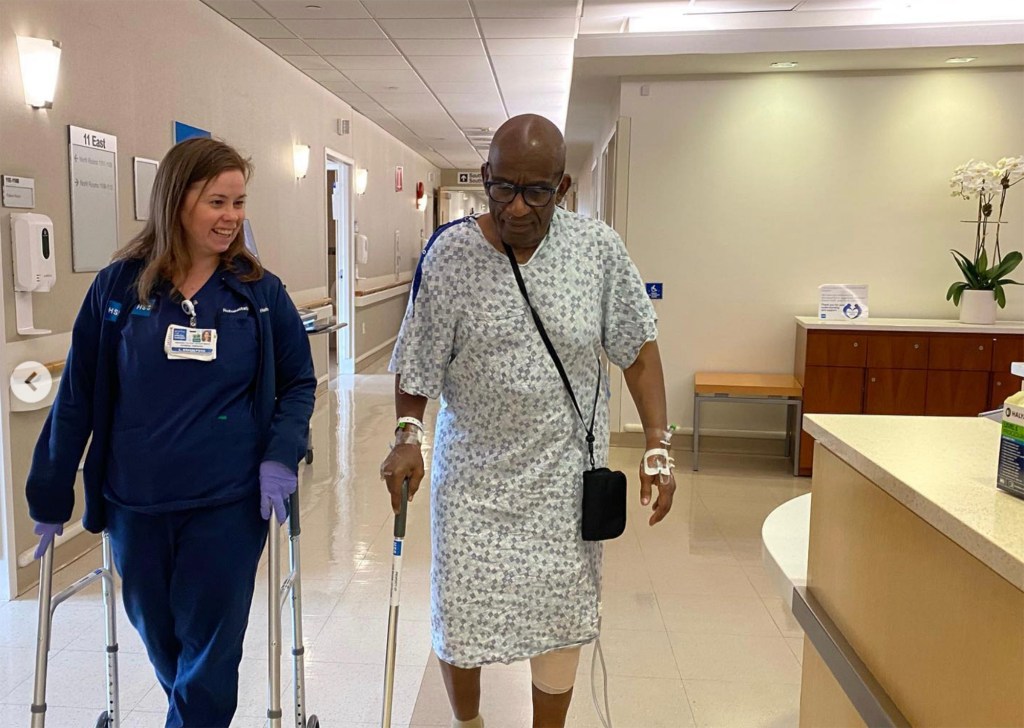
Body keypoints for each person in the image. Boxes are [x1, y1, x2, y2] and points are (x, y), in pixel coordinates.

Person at [381, 114, 676, 728]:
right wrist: (409, 435)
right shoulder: (451, 256)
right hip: (473, 485)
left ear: (562, 186)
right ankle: (470, 724)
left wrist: (657, 445)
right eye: (502, 188)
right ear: (485, 177)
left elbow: (640, 353)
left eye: (535, 191)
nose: (516, 207)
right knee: (462, 614)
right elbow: (417, 366)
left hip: (561, 480)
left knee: (560, 614)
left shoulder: (597, 251)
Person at [26, 138, 316, 728]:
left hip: (228, 503)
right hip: (136, 502)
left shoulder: (259, 293)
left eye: (239, 203)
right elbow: (77, 395)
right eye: (218, 202)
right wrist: (50, 489)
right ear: (176, 202)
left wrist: (280, 455)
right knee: (164, 641)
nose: (232, 217)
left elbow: (298, 383)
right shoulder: (118, 289)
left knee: (210, 652)